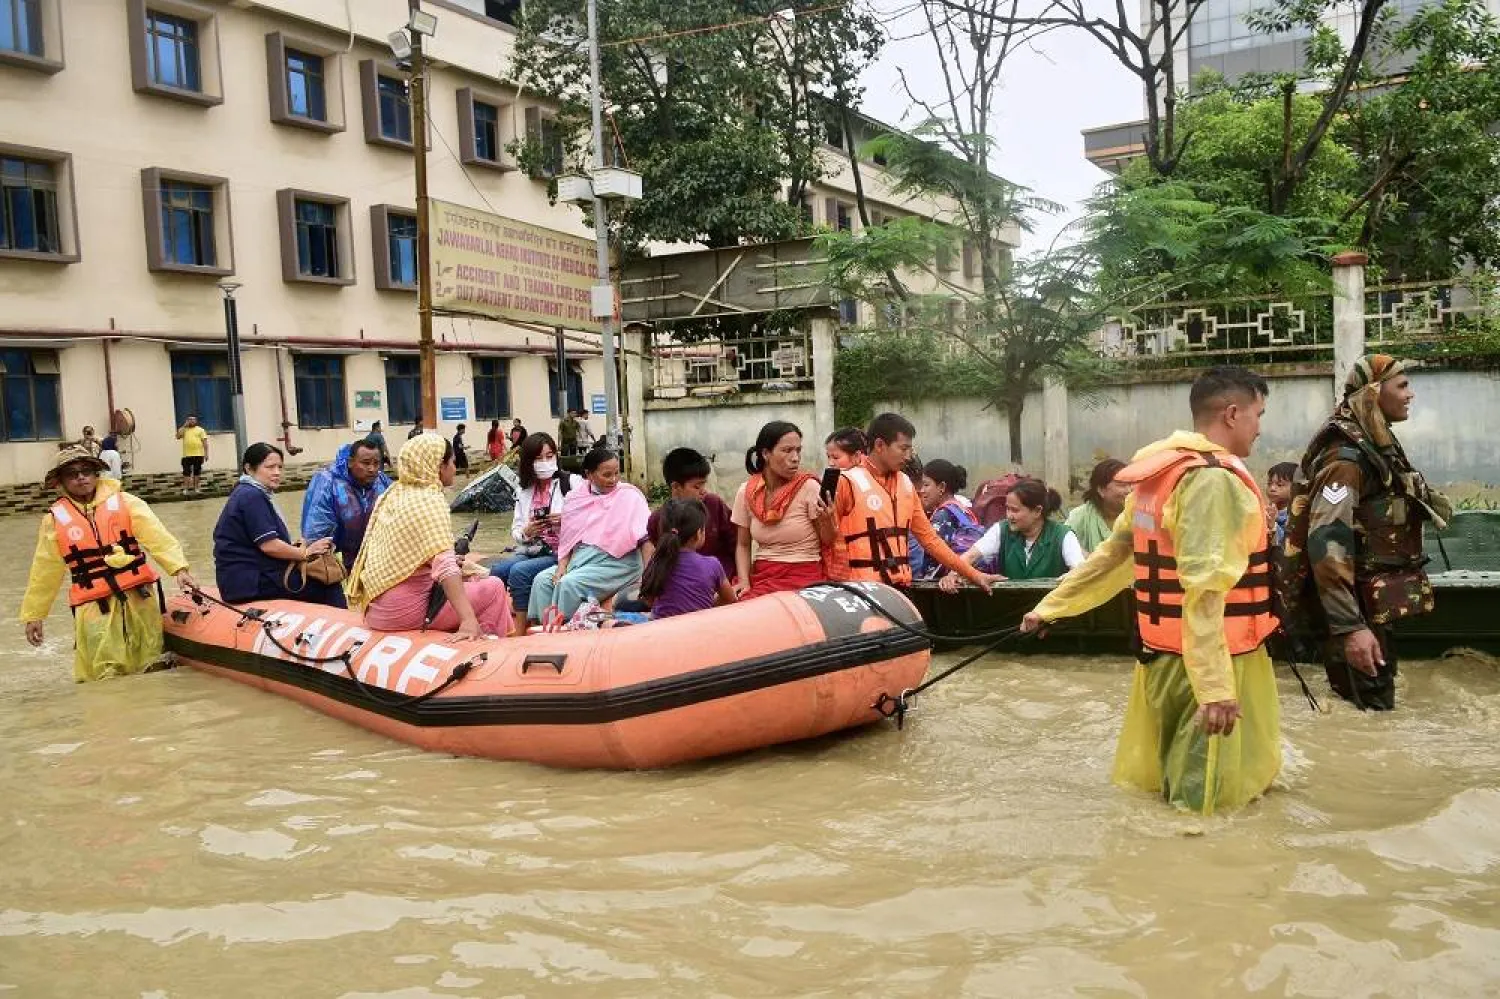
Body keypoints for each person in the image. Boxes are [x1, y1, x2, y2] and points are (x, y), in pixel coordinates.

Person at [1020, 366, 1281, 816]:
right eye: (1259, 414)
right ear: (1233, 414)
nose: (1260, 426)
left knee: (1176, 783)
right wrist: (1215, 688)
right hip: (1209, 661)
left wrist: (1049, 608)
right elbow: (1204, 587)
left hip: (1162, 659)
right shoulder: (1210, 479)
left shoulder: (1160, 474)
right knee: (1205, 802)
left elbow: (1113, 554)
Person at [1301, 355, 1450, 712]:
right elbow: (1326, 544)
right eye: (1402, 385)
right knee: (1368, 709)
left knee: (1374, 711)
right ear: (1373, 393)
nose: (1410, 394)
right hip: (1353, 613)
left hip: (1369, 608)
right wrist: (1350, 628)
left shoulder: (1376, 447)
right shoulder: (1346, 459)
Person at [20, 446, 196, 682]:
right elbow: (44, 571)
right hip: (94, 604)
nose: (81, 477)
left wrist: (179, 569)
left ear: (96, 473)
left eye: (86, 471)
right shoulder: (53, 521)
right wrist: (35, 615)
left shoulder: (126, 502)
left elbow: (158, 538)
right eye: (72, 474)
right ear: (60, 482)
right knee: (104, 671)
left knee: (150, 661)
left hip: (138, 596)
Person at [347, 434, 512, 637]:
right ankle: (487, 647)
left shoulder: (392, 495)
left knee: (471, 575)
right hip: (404, 612)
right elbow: (444, 566)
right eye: (451, 462)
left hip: (377, 610)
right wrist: (468, 619)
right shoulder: (430, 500)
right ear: (438, 466)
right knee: (494, 587)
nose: (454, 467)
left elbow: (406, 555)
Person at [830, 412, 995, 590]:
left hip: (900, 590)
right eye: (903, 448)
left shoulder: (905, 484)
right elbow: (825, 540)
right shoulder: (847, 482)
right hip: (860, 591)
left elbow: (930, 540)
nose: (908, 456)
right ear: (879, 445)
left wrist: (974, 574)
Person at [213, 443, 345, 608]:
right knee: (327, 582)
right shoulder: (251, 496)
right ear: (248, 468)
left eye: (280, 467)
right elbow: (270, 546)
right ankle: (345, 627)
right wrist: (306, 552)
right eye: (269, 467)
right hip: (249, 581)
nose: (277, 473)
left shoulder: (247, 492)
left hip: (244, 578)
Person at [528, 447, 651, 622]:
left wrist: (648, 578)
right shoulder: (575, 498)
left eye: (617, 473)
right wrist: (562, 567)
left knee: (569, 584)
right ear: (589, 475)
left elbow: (646, 539)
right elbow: (568, 541)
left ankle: (567, 632)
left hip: (618, 564)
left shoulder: (630, 496)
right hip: (580, 560)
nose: (614, 479)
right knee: (542, 581)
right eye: (607, 475)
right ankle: (546, 632)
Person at [488, 432, 582, 635]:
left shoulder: (572, 484)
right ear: (529, 462)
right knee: (497, 571)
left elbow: (589, 518)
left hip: (561, 553)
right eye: (538, 458)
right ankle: (499, 624)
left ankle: (521, 630)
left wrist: (565, 519)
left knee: (519, 572)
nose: (545, 462)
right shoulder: (524, 491)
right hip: (533, 549)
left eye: (549, 456)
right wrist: (527, 532)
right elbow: (516, 531)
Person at [732, 421, 837, 598]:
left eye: (798, 450)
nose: (795, 457)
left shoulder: (809, 487)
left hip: (805, 577)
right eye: (787, 450)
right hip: (763, 577)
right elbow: (743, 544)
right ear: (766, 453)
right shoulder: (747, 492)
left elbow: (828, 541)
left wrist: (828, 519)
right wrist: (744, 581)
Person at [944, 478, 1085, 588]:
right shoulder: (1002, 530)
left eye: (1015, 510)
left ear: (1037, 511)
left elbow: (1079, 570)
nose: (1009, 515)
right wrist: (953, 573)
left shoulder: (1063, 535)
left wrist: (1071, 576)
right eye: (1007, 509)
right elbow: (971, 555)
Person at [646, 447, 737, 583]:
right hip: (681, 586)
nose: (703, 492)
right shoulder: (657, 520)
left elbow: (737, 544)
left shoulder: (714, 505)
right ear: (676, 487)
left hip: (722, 581)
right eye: (697, 487)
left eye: (703, 485)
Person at [300, 438, 391, 570]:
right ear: (350, 462)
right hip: (335, 558)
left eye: (376, 463)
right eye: (365, 463)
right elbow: (315, 532)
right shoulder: (327, 482)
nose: (372, 469)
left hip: (372, 557)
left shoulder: (381, 480)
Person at [639, 499, 738, 620]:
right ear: (698, 534)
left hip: (662, 631)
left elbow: (648, 600)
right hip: (700, 628)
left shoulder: (658, 561)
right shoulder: (712, 564)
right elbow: (730, 598)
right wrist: (707, 607)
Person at [911, 459, 987, 580]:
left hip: (946, 586)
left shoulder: (942, 516)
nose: (921, 491)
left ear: (941, 487)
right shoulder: (963, 509)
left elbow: (929, 557)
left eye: (926, 485)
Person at [1066, 458, 1130, 555]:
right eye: (1121, 485)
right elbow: (1065, 543)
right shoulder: (1080, 516)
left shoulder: (1138, 515)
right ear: (1101, 490)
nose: (1129, 491)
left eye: (1131, 484)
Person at [1265, 461, 1296, 548]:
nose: (1272, 488)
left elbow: (1289, 544)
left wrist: (1273, 526)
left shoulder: (1296, 516)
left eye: (1280, 485)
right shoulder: (1267, 511)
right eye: (1269, 484)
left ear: (1295, 488)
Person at [176, 414, 209, 494]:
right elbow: (178, 436)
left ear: (196, 421)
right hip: (186, 455)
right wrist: (184, 426)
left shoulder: (200, 430)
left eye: (193, 419)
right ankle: (186, 489)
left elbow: (205, 443)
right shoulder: (184, 430)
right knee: (186, 472)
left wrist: (206, 454)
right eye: (189, 419)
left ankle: (196, 488)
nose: (191, 421)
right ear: (187, 420)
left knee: (197, 472)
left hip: (198, 454)